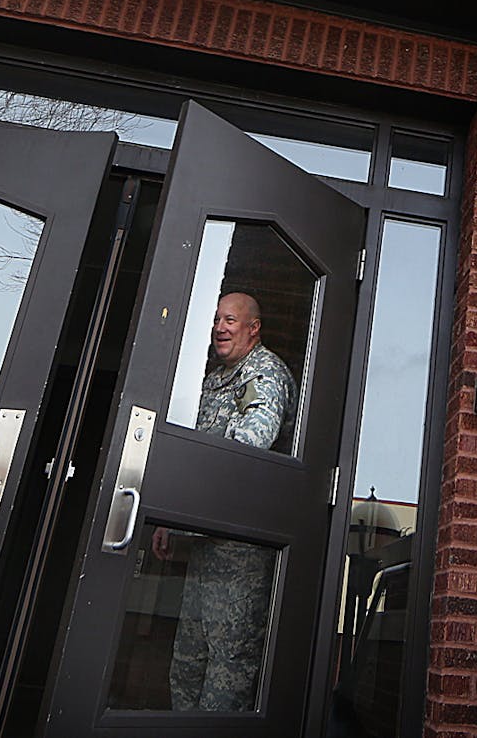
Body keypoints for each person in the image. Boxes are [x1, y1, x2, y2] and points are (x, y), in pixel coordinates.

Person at [153, 292, 296, 711]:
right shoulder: (217, 378)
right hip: (204, 543)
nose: (220, 327)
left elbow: (247, 447)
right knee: (187, 660)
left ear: (253, 328)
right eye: (216, 319)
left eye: (230, 320)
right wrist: (171, 519)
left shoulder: (264, 373)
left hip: (239, 547)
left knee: (228, 666)